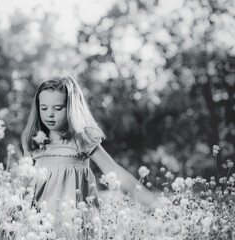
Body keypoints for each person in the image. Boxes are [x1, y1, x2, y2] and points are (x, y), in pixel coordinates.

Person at [21, 75, 158, 238]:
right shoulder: (32, 140)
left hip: (76, 224)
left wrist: (153, 203)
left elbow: (114, 172)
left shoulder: (82, 138)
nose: (50, 114)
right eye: (44, 108)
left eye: (57, 108)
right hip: (41, 226)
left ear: (72, 108)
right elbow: (25, 185)